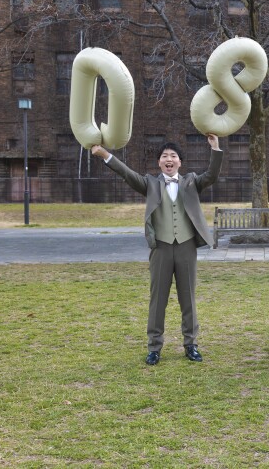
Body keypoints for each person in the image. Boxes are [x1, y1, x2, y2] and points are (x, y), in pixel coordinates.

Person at [91, 135, 222, 365]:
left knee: (188, 298)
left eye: (173, 156)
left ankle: (191, 345)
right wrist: (105, 155)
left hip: (186, 247)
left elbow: (211, 175)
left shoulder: (191, 181)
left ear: (180, 162)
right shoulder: (150, 183)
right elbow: (127, 173)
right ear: (159, 163)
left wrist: (215, 148)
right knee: (157, 299)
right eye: (164, 156)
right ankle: (154, 347)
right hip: (160, 248)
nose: (168, 159)